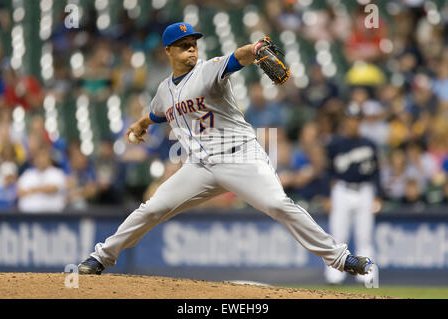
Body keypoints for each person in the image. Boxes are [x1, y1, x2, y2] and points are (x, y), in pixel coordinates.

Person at [78, 22, 373, 277]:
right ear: (168, 51)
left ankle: (340, 258)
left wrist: (256, 49)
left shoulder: (208, 71)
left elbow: (238, 57)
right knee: (152, 208)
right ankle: (101, 257)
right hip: (199, 166)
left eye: (193, 44)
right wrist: (141, 125)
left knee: (278, 205)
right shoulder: (164, 90)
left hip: (241, 157)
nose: (191, 50)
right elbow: (157, 112)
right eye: (183, 46)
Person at [324, 102, 381, 285]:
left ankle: (368, 274)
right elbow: (327, 171)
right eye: (350, 119)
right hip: (342, 189)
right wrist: (327, 194)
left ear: (360, 121)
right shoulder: (335, 144)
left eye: (356, 119)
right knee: (338, 236)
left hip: (365, 190)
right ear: (346, 121)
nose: (353, 123)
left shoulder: (369, 144)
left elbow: (376, 172)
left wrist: (378, 195)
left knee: (364, 236)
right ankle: (335, 275)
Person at [17, 144, 67, 213]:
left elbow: (53, 189)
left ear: (49, 158)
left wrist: (33, 190)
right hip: (28, 216)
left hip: (53, 216)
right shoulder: (27, 174)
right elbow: (20, 192)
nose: (41, 159)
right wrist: (42, 189)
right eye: (38, 156)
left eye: (44, 156)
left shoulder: (57, 173)